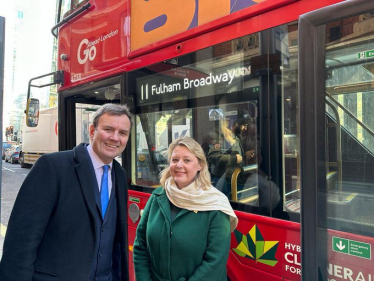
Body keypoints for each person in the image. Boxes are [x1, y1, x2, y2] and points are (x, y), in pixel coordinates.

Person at [0, 103, 132, 281]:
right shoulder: (53, 166)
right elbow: (21, 241)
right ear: (92, 131)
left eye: (123, 133)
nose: (115, 138)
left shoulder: (120, 175)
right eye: (108, 129)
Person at [133, 136, 238, 281]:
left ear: (200, 165)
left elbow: (214, 263)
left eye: (187, 160)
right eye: (175, 160)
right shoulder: (157, 197)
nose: (179, 165)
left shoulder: (216, 205)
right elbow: (140, 246)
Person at [208, 116, 251, 195]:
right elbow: (212, 156)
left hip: (234, 178)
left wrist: (245, 154)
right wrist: (232, 159)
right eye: (244, 125)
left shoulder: (237, 136)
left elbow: (233, 152)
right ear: (236, 124)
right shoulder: (220, 136)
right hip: (222, 178)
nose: (245, 128)